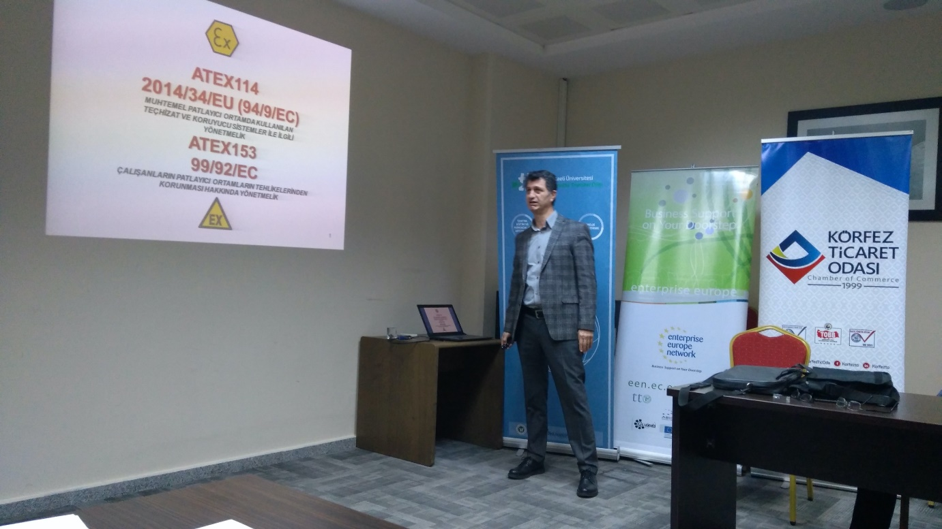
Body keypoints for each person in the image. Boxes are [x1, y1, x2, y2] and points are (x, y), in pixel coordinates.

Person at [501, 169, 599, 498]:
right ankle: (535, 456)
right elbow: (517, 286)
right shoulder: (522, 238)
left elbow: (587, 282)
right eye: (528, 190)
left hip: (564, 327)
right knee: (534, 396)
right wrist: (508, 326)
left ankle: (588, 469)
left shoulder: (575, 230)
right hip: (527, 324)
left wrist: (585, 325)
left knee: (573, 398)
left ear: (552, 195)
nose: (531, 195)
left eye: (538, 190)